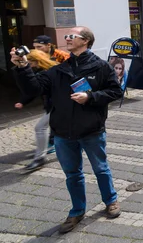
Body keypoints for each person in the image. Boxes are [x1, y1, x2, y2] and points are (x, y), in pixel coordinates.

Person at [11, 26, 123, 234]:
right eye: (66, 36)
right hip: (63, 133)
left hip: (91, 130)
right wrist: (23, 67)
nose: (67, 39)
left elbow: (115, 91)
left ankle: (111, 200)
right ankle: (77, 211)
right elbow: (33, 89)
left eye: (72, 36)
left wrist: (90, 97)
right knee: (72, 174)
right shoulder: (58, 69)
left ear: (86, 40)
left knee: (101, 169)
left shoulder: (101, 67)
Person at [14, 49, 58, 171]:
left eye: (31, 63)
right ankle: (41, 156)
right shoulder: (42, 71)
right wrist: (23, 101)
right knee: (48, 128)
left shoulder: (50, 71)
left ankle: (40, 157)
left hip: (61, 106)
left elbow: (35, 88)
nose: (30, 65)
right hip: (54, 106)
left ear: (37, 61)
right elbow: (34, 89)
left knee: (40, 127)